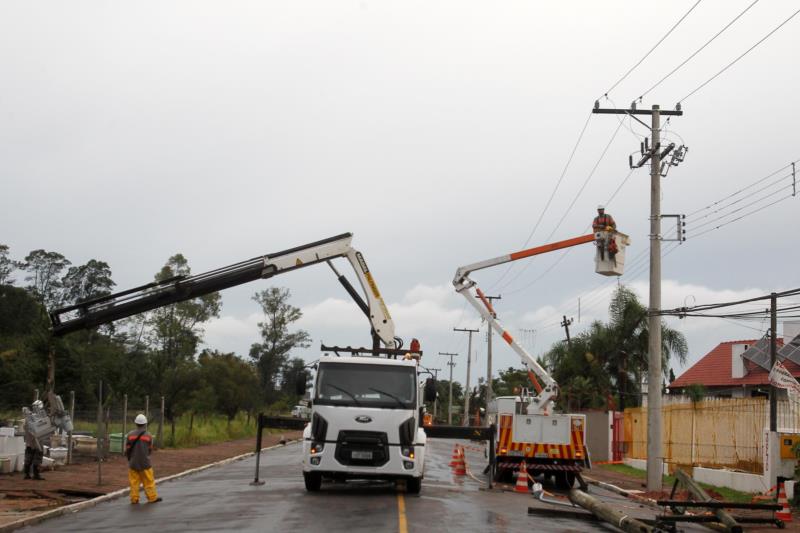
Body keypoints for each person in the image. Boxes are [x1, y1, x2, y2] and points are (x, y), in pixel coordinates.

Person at [126, 414, 162, 504]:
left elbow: (127, 448)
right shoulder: (149, 436)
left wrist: (129, 458)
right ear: (145, 424)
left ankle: (134, 499)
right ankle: (152, 498)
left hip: (133, 463)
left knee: (134, 483)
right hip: (145, 463)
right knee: (149, 482)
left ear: (136, 423)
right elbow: (150, 449)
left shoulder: (130, 435)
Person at [23, 400, 46, 480]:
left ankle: (27, 474)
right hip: (37, 442)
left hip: (29, 442)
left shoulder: (28, 417)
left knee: (28, 457)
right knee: (37, 458)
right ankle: (36, 474)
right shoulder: (38, 418)